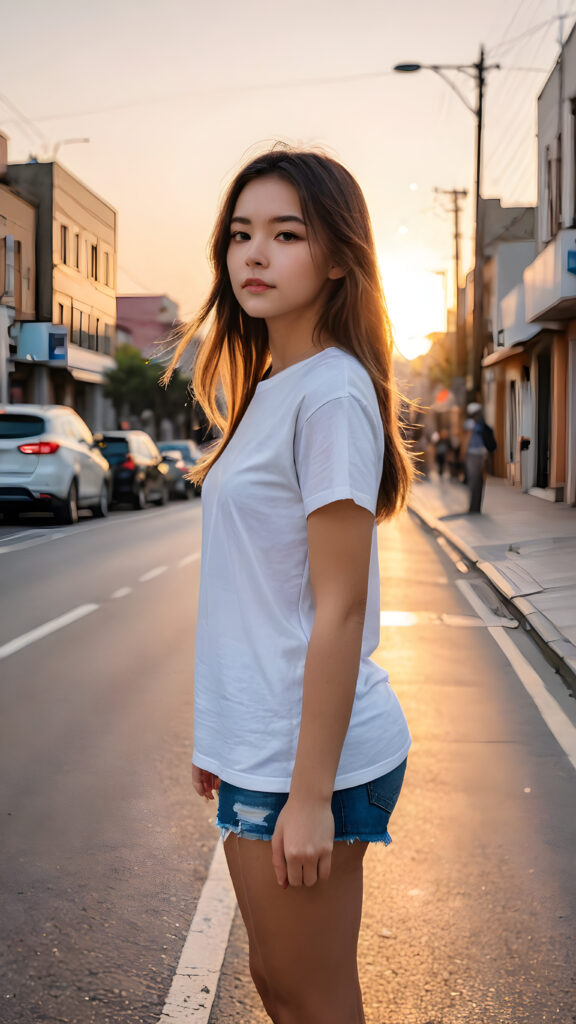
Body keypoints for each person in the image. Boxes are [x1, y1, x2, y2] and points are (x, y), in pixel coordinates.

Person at [162, 147, 413, 1024]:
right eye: (241, 235)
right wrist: (222, 734)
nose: (255, 255)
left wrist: (308, 797)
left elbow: (340, 609)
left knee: (313, 998)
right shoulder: (272, 385)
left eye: (287, 234)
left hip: (311, 762)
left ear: (339, 256)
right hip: (261, 742)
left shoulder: (331, 393)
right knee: (276, 982)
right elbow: (250, 593)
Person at [464, 402, 496, 513]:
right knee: (480, 480)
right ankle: (477, 507)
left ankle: (473, 507)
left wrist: (462, 454)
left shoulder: (469, 424)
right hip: (483, 454)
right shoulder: (482, 424)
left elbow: (466, 439)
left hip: (472, 455)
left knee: (473, 480)